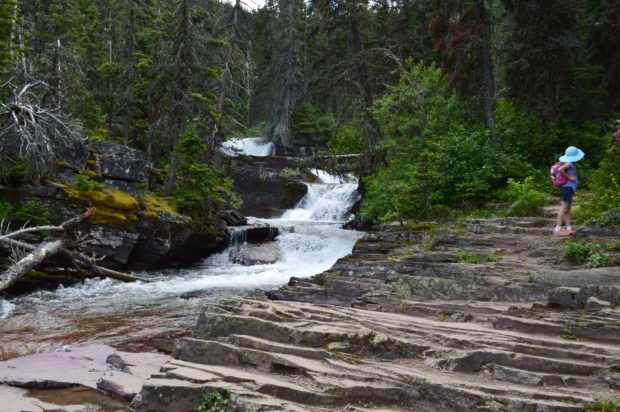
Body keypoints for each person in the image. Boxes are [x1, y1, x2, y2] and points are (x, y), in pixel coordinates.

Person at [554, 146, 585, 235]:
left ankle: (568, 228)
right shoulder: (570, 163)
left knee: (567, 209)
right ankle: (557, 229)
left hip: (568, 188)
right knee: (564, 208)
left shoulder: (569, 163)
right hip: (567, 188)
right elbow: (560, 169)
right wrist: (570, 178)